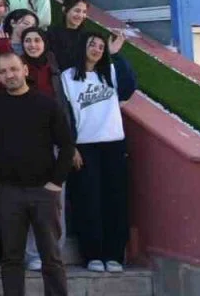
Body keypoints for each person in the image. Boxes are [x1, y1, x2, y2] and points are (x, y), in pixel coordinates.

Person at [0, 50, 76, 295]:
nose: (10, 75)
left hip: (43, 190)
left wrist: (56, 182)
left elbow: (67, 145)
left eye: (14, 69)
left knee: (51, 256)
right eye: (3, 71)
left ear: (25, 70)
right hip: (8, 191)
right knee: (11, 257)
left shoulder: (46, 104)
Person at [59, 32, 137, 274]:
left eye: (101, 47)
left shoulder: (110, 72)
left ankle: (114, 255)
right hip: (84, 146)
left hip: (113, 144)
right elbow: (64, 113)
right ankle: (92, 255)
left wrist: (117, 55)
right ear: (82, 47)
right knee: (87, 200)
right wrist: (71, 146)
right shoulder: (67, 76)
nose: (96, 49)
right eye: (92, 44)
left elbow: (128, 88)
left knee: (115, 200)